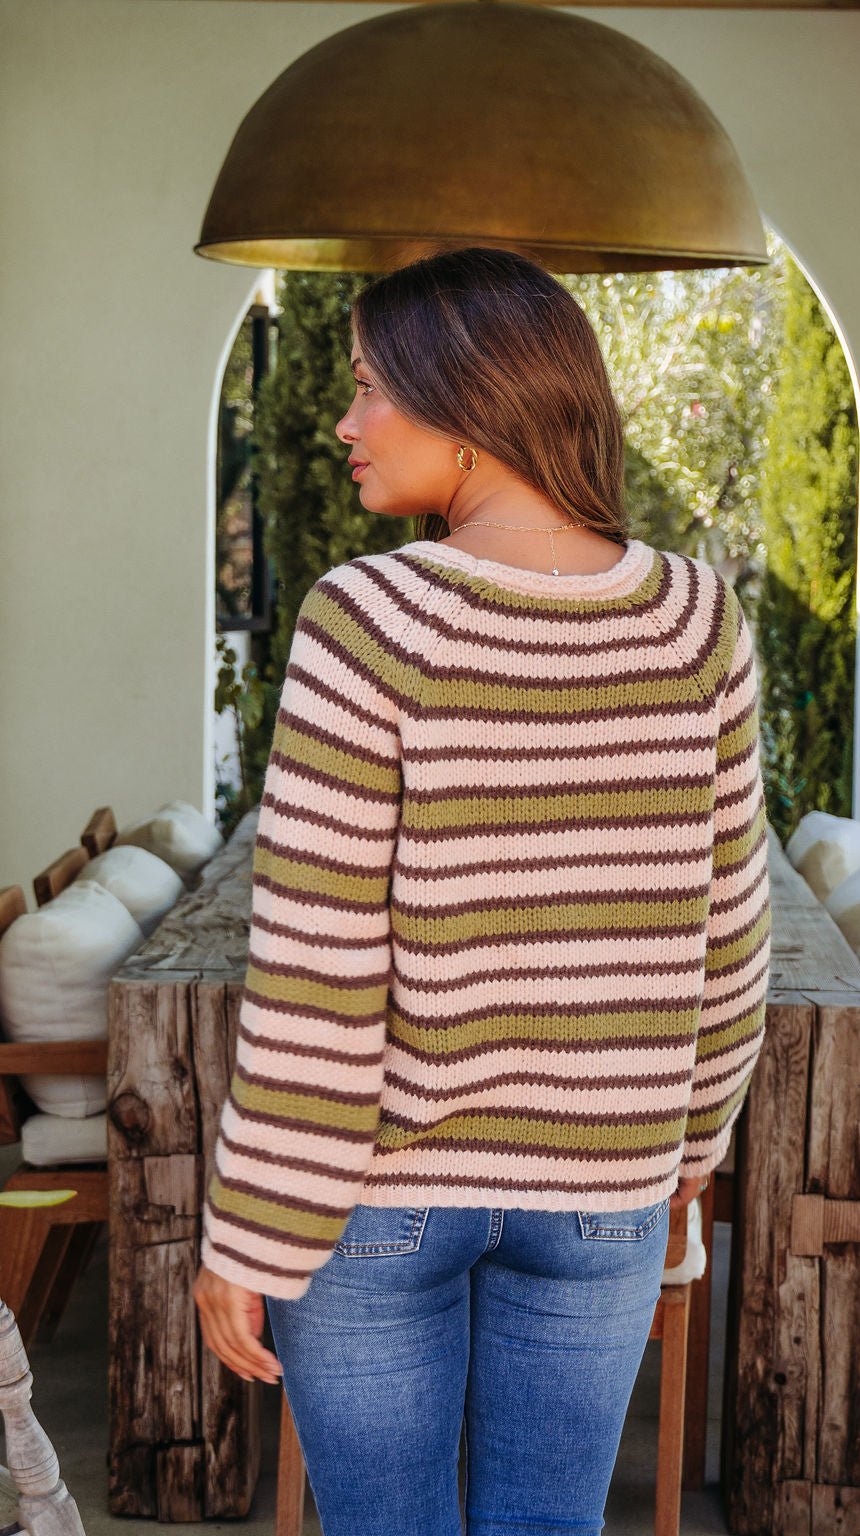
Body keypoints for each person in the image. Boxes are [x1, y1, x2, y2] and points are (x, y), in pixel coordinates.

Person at [192, 245, 771, 1536]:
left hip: (386, 1196)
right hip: (605, 1190)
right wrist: (681, 1150)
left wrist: (250, 1233)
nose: (345, 423)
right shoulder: (695, 622)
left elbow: (315, 976)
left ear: (473, 397)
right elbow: (731, 942)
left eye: (368, 387)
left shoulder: (370, 622)